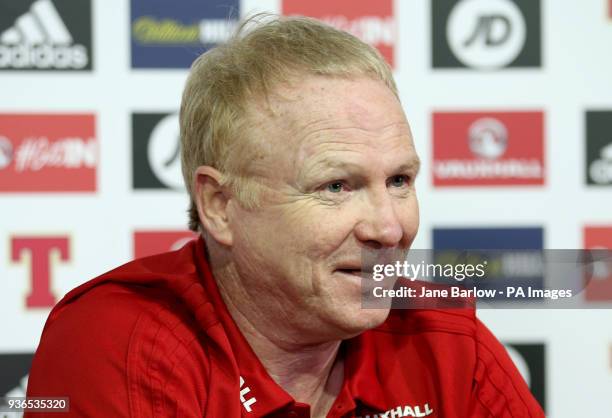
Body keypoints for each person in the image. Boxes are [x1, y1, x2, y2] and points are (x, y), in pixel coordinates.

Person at [26, 15, 544, 418]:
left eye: (399, 181)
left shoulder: (444, 340)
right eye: (336, 186)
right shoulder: (123, 341)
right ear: (220, 206)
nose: (389, 228)